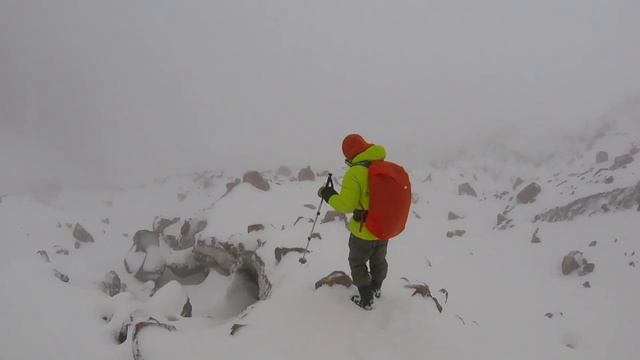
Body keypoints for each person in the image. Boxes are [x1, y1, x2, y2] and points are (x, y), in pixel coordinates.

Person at [317, 134, 389, 310]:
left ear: (349, 154)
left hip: (363, 230)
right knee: (378, 260)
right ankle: (376, 288)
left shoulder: (355, 173)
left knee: (357, 262)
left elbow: (345, 205)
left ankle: (366, 299)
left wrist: (327, 194)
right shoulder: (383, 166)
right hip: (383, 227)